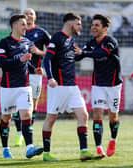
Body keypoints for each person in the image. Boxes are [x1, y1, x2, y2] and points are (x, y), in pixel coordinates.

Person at [42, 12, 93, 162]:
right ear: (70, 24)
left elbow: (71, 57)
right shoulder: (57, 38)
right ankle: (46, 153)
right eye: (78, 24)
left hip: (72, 86)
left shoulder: (72, 40)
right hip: (58, 86)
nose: (80, 27)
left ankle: (84, 151)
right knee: (51, 119)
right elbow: (47, 60)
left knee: (83, 115)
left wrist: (83, 53)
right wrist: (50, 78)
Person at [74, 14, 123, 157]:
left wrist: (84, 52)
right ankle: (99, 147)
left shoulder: (111, 41)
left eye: (97, 25)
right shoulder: (91, 42)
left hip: (114, 85)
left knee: (113, 116)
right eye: (92, 25)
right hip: (98, 84)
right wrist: (73, 51)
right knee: (97, 115)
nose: (93, 27)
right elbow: (79, 56)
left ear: (105, 28)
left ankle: (113, 140)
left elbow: (102, 53)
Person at [0, 14, 43, 159]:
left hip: (24, 87)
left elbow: (25, 62)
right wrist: (20, 58)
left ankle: (29, 148)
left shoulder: (27, 42)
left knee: (27, 115)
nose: (26, 26)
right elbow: (2, 64)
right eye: (23, 24)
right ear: (14, 25)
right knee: (6, 118)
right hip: (8, 87)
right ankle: (5, 149)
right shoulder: (4, 43)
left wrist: (34, 68)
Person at [13, 8, 51, 147]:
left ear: (35, 17)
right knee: (19, 104)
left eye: (31, 14)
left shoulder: (41, 32)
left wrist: (39, 51)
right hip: (20, 72)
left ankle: (26, 131)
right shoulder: (18, 32)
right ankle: (19, 134)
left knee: (33, 105)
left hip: (36, 73)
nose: (28, 16)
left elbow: (52, 51)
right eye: (26, 13)